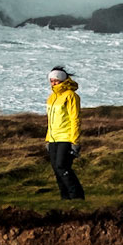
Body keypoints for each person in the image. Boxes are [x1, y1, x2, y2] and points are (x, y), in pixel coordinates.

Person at [45, 66, 84, 199]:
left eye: (56, 80)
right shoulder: (51, 97)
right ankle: (65, 199)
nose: (53, 83)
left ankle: (77, 197)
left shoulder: (71, 96)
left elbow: (75, 119)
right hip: (53, 139)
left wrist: (75, 141)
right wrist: (47, 139)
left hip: (66, 137)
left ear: (62, 79)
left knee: (62, 167)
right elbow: (50, 121)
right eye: (51, 80)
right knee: (57, 170)